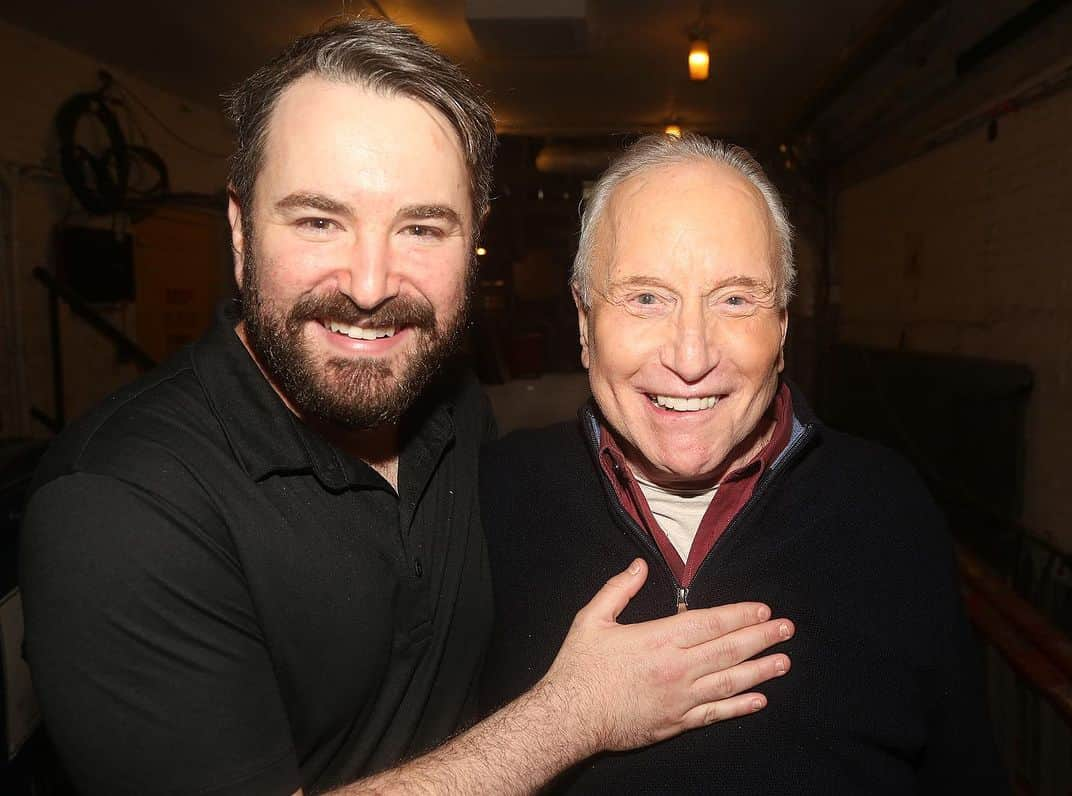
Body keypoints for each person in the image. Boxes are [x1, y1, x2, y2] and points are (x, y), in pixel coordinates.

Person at [18, 20, 795, 796]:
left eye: (422, 227)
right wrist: (573, 715)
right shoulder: (117, 508)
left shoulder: (447, 406)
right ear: (240, 229)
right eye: (319, 220)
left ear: (473, 243)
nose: (368, 283)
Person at [479, 133, 1008, 793]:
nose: (692, 355)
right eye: (646, 298)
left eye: (734, 299)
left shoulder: (888, 507)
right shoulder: (489, 499)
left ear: (782, 329)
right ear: (585, 322)